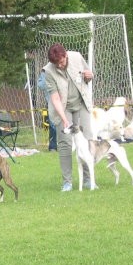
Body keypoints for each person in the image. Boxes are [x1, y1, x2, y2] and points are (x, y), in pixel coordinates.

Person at [42, 43, 94, 191]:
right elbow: (56, 99)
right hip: (63, 108)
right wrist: (65, 120)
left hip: (81, 103)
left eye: (62, 62)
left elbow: (88, 74)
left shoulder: (76, 57)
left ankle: (88, 180)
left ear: (65, 55)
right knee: (65, 142)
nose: (59, 65)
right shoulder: (48, 71)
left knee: (87, 139)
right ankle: (67, 182)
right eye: (56, 64)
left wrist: (89, 75)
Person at [37, 69, 58, 151]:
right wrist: (49, 80)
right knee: (53, 125)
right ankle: (53, 146)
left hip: (63, 101)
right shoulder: (44, 71)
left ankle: (66, 145)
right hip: (51, 102)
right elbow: (40, 85)